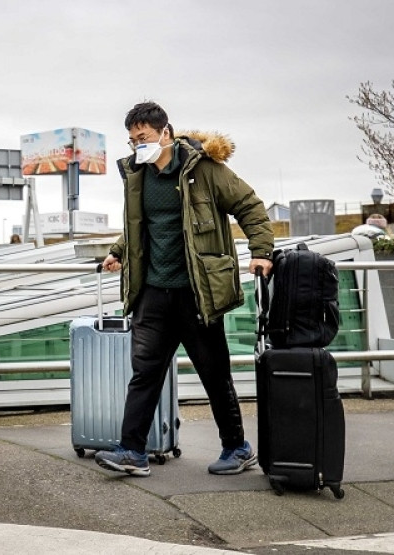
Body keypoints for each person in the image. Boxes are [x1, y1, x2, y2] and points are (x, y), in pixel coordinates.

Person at [94, 101, 275, 477]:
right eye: (131, 140)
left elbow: (250, 206)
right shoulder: (138, 175)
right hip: (154, 292)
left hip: (198, 291)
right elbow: (139, 227)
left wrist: (262, 252)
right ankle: (132, 451)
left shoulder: (205, 170)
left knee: (214, 372)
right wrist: (118, 252)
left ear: (166, 133)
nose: (137, 146)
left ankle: (237, 448)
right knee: (145, 372)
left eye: (142, 137)